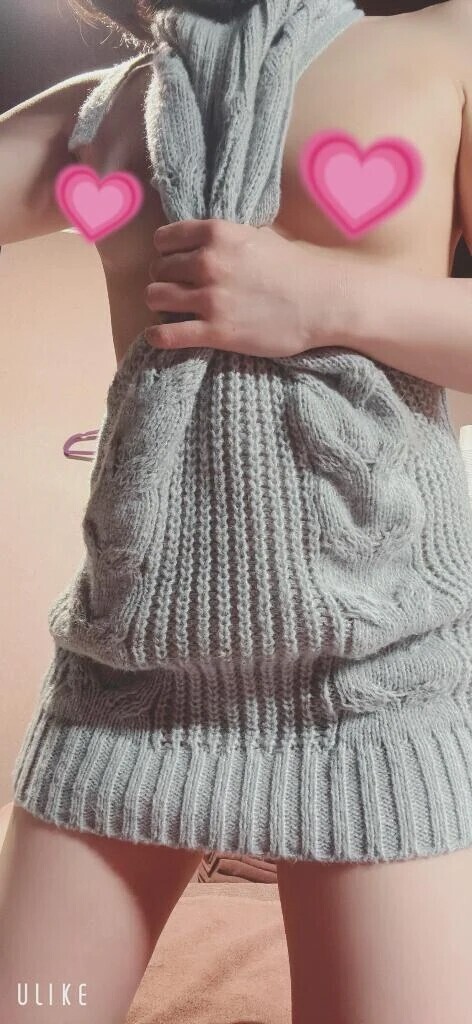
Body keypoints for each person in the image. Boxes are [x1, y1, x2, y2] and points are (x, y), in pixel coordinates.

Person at [1, 1, 472, 1022]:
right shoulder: (104, 113)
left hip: (375, 691)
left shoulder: (450, 49)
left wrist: (324, 298)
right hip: (127, 685)